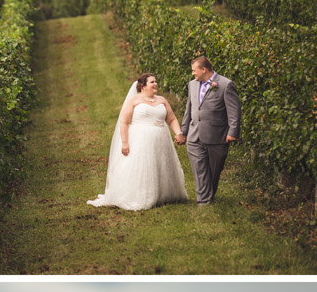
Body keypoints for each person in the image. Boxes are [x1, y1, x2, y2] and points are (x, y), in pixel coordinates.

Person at [87, 73, 188, 211]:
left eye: (156, 81)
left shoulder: (162, 100)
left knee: (162, 165)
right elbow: (124, 122)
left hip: (161, 140)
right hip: (140, 140)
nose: (155, 84)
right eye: (152, 82)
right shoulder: (134, 100)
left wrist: (179, 133)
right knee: (143, 167)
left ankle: (164, 195)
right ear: (142, 85)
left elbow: (171, 119)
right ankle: (141, 196)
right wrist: (124, 142)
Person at [181, 56, 241, 206]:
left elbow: (234, 111)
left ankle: (209, 193)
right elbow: (189, 108)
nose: (193, 74)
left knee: (214, 171)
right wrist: (184, 130)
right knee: (199, 169)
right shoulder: (192, 85)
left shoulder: (226, 85)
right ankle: (203, 201)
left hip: (217, 136)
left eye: (194, 71)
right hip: (195, 135)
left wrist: (233, 132)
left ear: (204, 69)